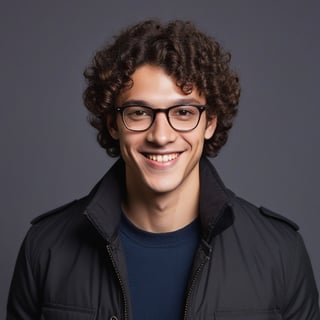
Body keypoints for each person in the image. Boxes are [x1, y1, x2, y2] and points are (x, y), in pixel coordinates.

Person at [7, 19, 319, 320]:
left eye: (183, 112)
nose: (161, 136)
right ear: (113, 124)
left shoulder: (280, 252)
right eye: (139, 112)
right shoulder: (45, 247)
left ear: (210, 122)